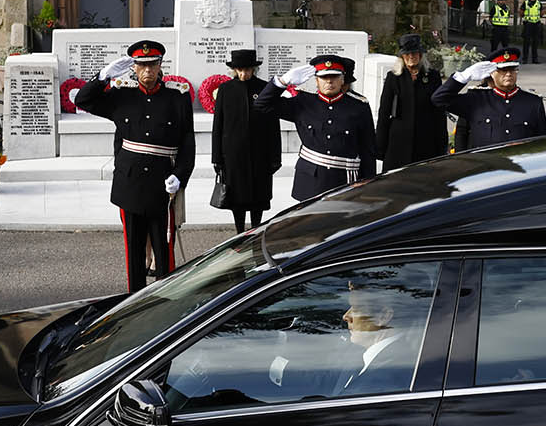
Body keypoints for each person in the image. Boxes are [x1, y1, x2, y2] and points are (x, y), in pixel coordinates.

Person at [76, 40, 196, 292]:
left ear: (161, 65)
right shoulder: (122, 93)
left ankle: (167, 298)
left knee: (164, 249)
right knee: (134, 249)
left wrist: (180, 175)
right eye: (141, 65)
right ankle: (134, 299)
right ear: (134, 68)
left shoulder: (178, 95)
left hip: (163, 185)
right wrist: (103, 77)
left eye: (152, 65)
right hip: (130, 185)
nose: (148, 71)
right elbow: (84, 100)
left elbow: (188, 143)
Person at [256, 54, 376, 202]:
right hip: (311, 181)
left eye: (334, 76)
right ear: (316, 81)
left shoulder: (359, 107)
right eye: (324, 77)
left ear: (342, 79)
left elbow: (368, 149)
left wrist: (368, 183)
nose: (329, 81)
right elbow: (261, 105)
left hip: (344, 180)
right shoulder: (303, 103)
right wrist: (282, 82)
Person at [209, 48, 281, 233]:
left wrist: (275, 156)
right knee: (236, 197)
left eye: (247, 70)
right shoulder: (226, 89)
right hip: (233, 154)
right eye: (240, 70)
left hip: (260, 153)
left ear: (253, 69)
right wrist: (216, 157)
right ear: (234, 70)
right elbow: (218, 125)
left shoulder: (264, 88)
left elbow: (274, 125)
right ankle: (239, 231)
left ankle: (256, 229)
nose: (244, 74)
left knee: (258, 196)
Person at [431, 47, 546, 147]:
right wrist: (464, 76)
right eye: (503, 70)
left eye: (512, 70)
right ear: (491, 73)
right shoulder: (476, 99)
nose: (508, 74)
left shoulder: (533, 102)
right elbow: (439, 99)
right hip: (485, 168)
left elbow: (541, 144)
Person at [376, 34, 446, 171]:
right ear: (402, 57)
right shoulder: (394, 77)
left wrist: (442, 145)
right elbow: (384, 113)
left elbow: (439, 113)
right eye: (407, 54)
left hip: (425, 141)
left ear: (421, 55)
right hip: (398, 143)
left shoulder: (433, 77)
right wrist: (380, 146)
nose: (411, 57)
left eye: (414, 53)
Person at [520, 0, 544, 64]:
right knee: (526, 42)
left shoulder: (539, 3)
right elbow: (521, 12)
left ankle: (535, 59)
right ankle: (525, 59)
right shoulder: (526, 3)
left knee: (535, 42)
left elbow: (541, 13)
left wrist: (542, 13)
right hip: (528, 24)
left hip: (536, 24)